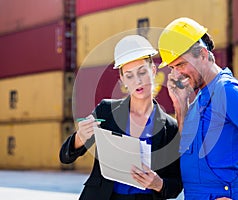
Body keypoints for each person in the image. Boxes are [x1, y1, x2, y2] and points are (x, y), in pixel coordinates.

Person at [157, 17, 238, 200]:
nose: (177, 74)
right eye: (172, 67)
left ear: (202, 54)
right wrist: (181, 105)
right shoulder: (200, 97)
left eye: (181, 64)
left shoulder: (226, 90)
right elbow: (190, 148)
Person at [60, 35, 182, 200]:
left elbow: (175, 185)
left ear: (153, 71)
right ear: (123, 80)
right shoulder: (106, 111)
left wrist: (157, 183)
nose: (137, 81)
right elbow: (66, 157)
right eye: (129, 75)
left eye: (142, 72)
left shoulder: (170, 127)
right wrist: (80, 137)